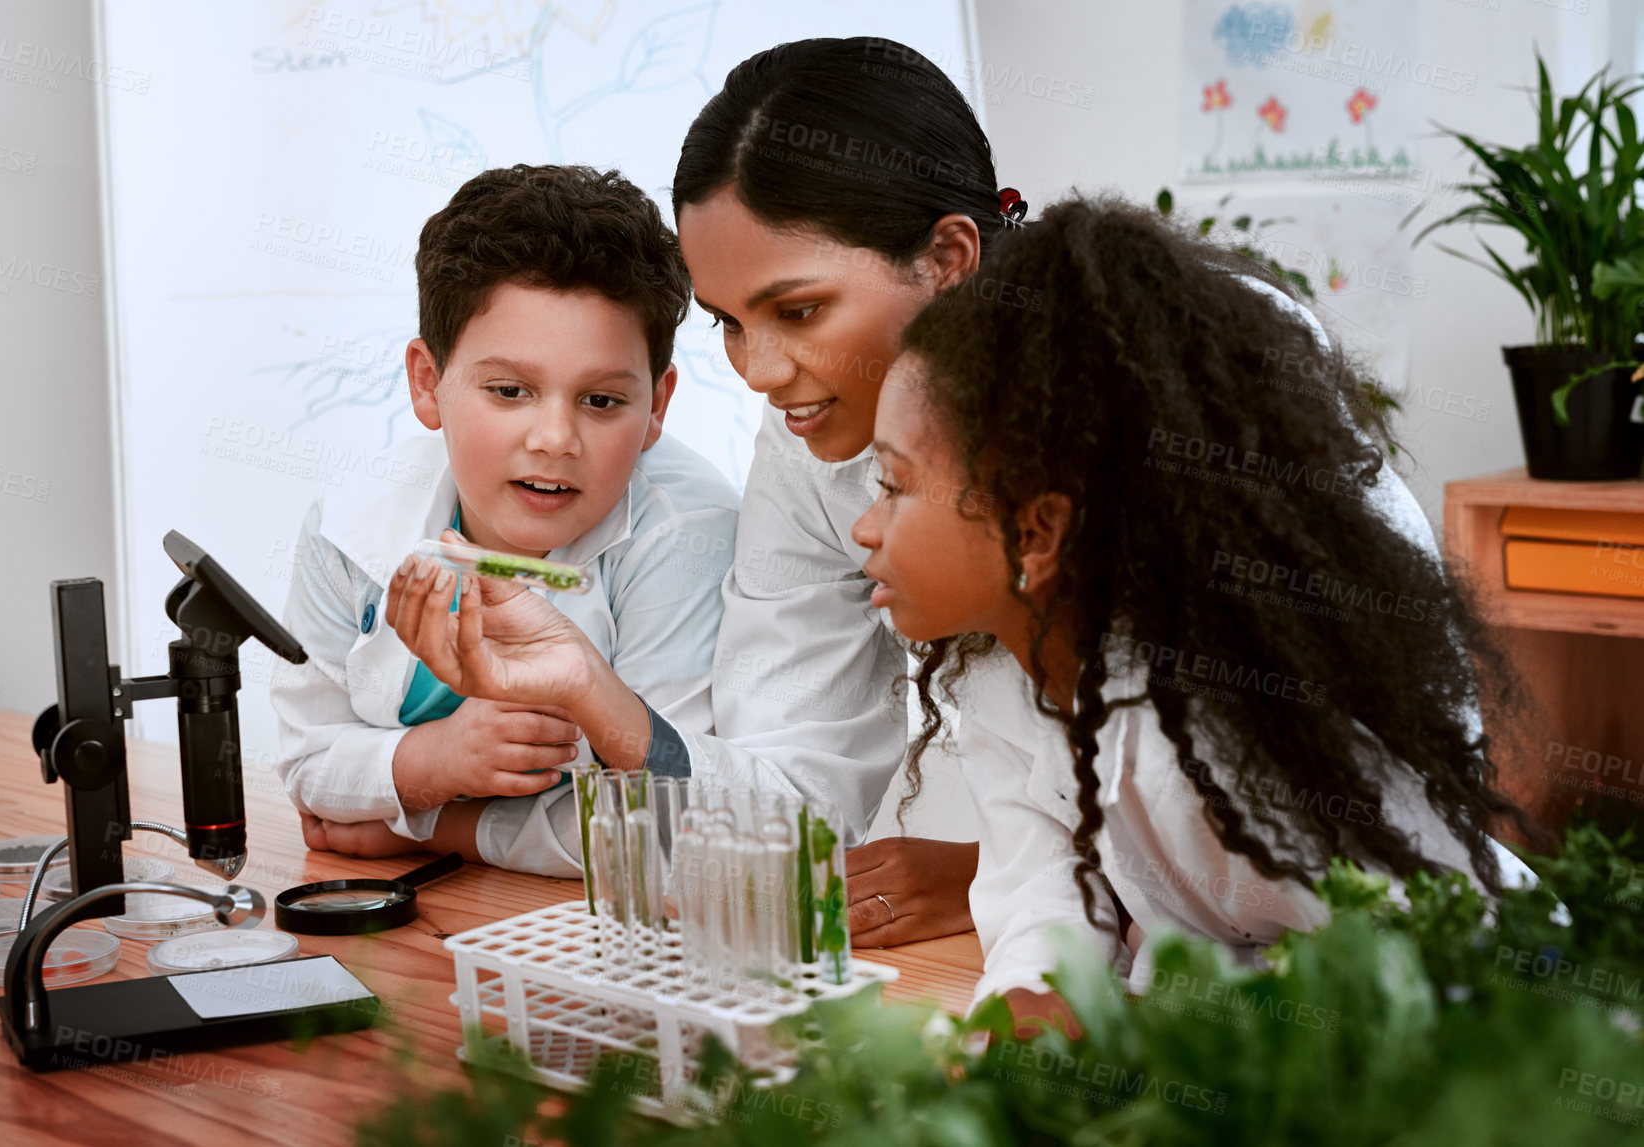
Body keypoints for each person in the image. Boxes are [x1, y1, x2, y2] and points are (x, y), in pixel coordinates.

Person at [847, 196, 1538, 1033]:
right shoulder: (999, 677)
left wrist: (1153, 1023)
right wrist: (1024, 1003)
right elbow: (1040, 887)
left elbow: (1406, 962)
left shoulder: (1231, 732)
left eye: (891, 483)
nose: (864, 525)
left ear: (1035, 532)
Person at [392, 37, 1014, 945]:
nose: (759, 372)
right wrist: (588, 691)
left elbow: (1261, 812)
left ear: (948, 258)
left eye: (798, 311)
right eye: (729, 321)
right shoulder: (807, 448)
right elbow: (784, 825)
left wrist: (987, 875)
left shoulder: (1183, 402)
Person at [269, 164, 738, 874]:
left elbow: (676, 825)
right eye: (510, 390)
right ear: (428, 383)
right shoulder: (350, 528)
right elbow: (308, 761)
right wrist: (433, 760)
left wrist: (432, 826)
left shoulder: (689, 534)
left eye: (602, 401)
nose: (555, 438)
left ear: (658, 407)